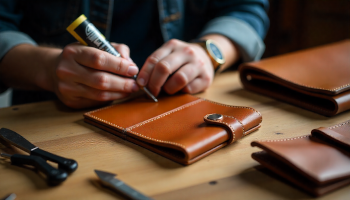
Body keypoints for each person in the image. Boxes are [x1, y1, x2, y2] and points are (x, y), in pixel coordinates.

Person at [0, 0, 269, 109]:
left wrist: (209, 51)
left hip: (182, 102)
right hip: (49, 115)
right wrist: (47, 69)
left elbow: (246, 7)